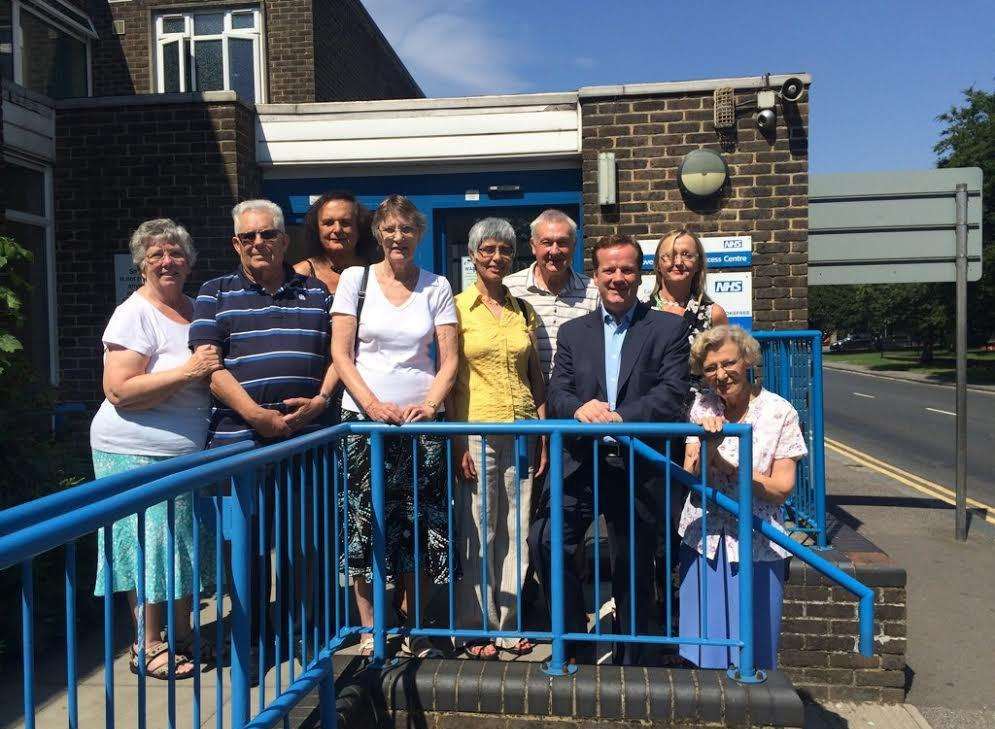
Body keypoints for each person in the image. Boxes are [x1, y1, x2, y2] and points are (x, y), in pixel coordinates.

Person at [528, 233, 690, 666]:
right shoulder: (573, 332)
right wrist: (580, 408)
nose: (618, 278)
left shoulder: (668, 329)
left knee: (632, 564)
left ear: (641, 274)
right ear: (595, 276)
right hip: (583, 460)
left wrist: (620, 417)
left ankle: (632, 658)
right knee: (545, 540)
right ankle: (574, 645)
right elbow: (557, 391)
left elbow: (672, 395)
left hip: (639, 463)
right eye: (608, 270)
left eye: (627, 270)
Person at [188, 199, 340, 650]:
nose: (259, 243)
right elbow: (209, 367)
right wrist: (256, 415)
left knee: (301, 548)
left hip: (305, 441)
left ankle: (297, 640)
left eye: (267, 234)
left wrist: (320, 400)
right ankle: (249, 645)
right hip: (241, 443)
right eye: (248, 236)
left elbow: (341, 355)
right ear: (235, 243)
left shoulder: (318, 294)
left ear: (284, 240)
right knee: (247, 551)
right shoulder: (213, 294)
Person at [90, 218, 222, 680]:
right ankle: (146, 645)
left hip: (181, 454)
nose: (167, 261)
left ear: (190, 261)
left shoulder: (193, 307)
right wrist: (189, 372)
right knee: (149, 547)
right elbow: (119, 390)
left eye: (175, 253)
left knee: (181, 543)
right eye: (156, 255)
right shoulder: (135, 312)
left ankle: (182, 635)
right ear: (142, 264)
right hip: (132, 450)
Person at [331, 194, 459, 658]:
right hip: (365, 425)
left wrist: (430, 404)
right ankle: (372, 628)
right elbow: (341, 354)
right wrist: (371, 404)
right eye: (389, 229)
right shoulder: (353, 280)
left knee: (423, 526)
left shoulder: (436, 285)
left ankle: (417, 626)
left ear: (419, 235)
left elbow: (450, 360)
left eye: (407, 229)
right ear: (378, 234)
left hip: (422, 427)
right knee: (365, 523)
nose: (398, 237)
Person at [678, 325, 807, 670]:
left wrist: (727, 465)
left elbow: (780, 489)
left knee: (755, 650)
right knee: (704, 648)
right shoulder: (702, 407)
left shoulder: (781, 412)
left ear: (747, 360)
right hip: (703, 541)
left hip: (757, 542)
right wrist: (707, 449)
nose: (720, 375)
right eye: (710, 368)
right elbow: (692, 475)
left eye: (728, 363)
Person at [449, 218, 547, 660]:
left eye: (504, 251)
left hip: (522, 429)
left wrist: (543, 434)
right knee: (479, 531)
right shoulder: (454, 308)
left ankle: (510, 625)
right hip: (475, 431)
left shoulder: (522, 310)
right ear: (473, 255)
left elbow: (535, 378)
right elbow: (448, 379)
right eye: (487, 250)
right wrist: (454, 441)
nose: (496, 258)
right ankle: (475, 628)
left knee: (516, 529)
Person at [293, 190, 378, 421]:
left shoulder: (377, 274)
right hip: (314, 392)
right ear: (316, 229)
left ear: (360, 228)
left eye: (346, 223)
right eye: (328, 222)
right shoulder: (299, 275)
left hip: (366, 392)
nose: (337, 229)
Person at [504, 209, 599, 378]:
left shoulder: (593, 291)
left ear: (574, 246)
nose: (554, 251)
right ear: (533, 246)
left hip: (576, 397)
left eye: (562, 243)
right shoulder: (509, 289)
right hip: (526, 396)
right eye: (546, 243)